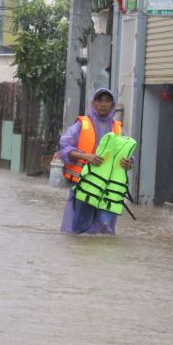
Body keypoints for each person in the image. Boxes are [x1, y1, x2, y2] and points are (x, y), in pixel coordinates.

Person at [59, 88, 132, 235]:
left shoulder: (119, 128)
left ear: (112, 105)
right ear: (93, 103)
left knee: (103, 233)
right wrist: (86, 157)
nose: (103, 104)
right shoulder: (82, 124)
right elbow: (64, 147)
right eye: (100, 100)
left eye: (107, 101)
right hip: (84, 184)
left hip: (107, 188)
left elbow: (129, 156)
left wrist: (129, 163)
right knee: (75, 230)